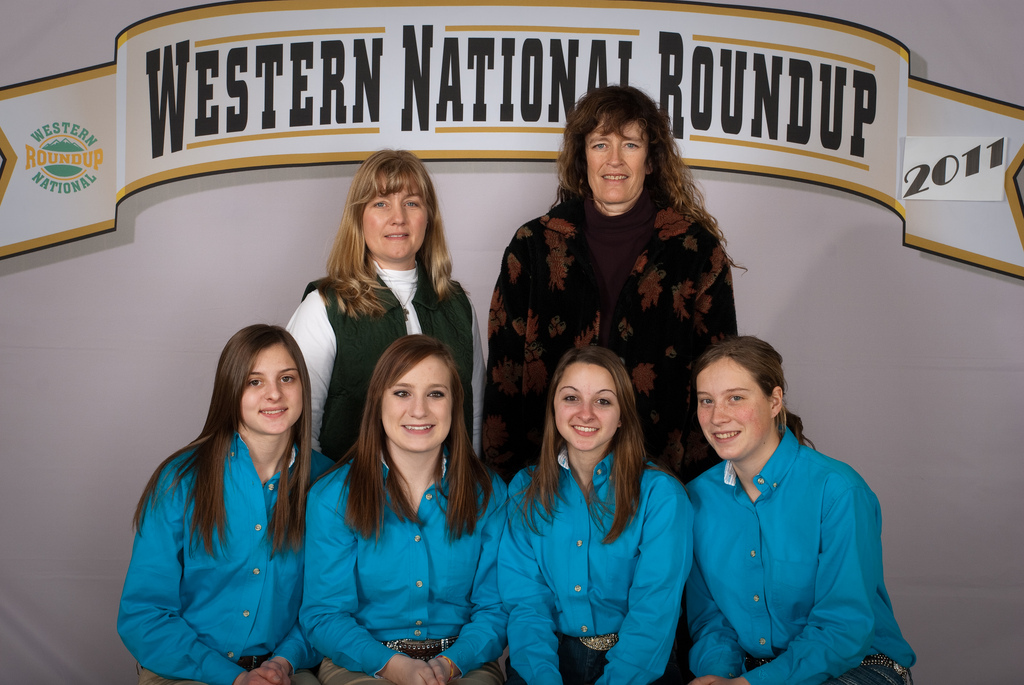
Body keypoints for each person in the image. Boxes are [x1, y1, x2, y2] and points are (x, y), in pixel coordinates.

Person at [483, 85, 736, 485]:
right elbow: (504, 373)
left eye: (630, 145)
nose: (614, 160)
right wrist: (505, 482)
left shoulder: (696, 252)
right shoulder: (532, 245)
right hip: (547, 475)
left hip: (657, 477)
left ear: (650, 160)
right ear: (583, 157)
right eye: (600, 144)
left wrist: (696, 487)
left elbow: (718, 376)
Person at [686, 336, 915, 685]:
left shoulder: (838, 491)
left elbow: (843, 627)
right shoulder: (696, 498)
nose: (718, 416)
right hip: (750, 672)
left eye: (735, 398)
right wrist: (720, 676)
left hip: (858, 666)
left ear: (774, 400)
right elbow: (709, 619)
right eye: (706, 401)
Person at [117, 324, 332, 685]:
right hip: (187, 667)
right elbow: (144, 614)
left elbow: (329, 606)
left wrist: (284, 662)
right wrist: (232, 678)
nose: (274, 395)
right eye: (255, 382)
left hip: (287, 668)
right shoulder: (180, 479)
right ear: (231, 390)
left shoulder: (327, 483)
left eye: (287, 378)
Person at [301, 334, 507, 685]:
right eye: (402, 392)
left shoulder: (488, 493)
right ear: (378, 402)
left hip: (462, 661)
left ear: (454, 405)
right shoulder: (332, 498)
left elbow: (495, 609)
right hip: (363, 661)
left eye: (435, 394)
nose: (419, 410)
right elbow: (325, 615)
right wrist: (394, 666)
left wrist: (449, 665)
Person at [500, 346, 693, 685]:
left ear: (622, 416)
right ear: (554, 408)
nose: (585, 414)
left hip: (637, 664)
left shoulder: (660, 495)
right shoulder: (524, 489)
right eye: (571, 398)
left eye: (603, 401)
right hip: (546, 661)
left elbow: (653, 614)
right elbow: (526, 604)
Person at [287, 149, 484, 462]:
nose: (398, 218)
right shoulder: (324, 307)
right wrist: (327, 501)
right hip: (350, 501)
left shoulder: (458, 306)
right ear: (359, 217)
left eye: (412, 203)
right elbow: (300, 429)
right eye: (381, 203)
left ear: (428, 217)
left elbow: (471, 418)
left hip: (442, 501)